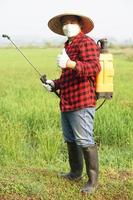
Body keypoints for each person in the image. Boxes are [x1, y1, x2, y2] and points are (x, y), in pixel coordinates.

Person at [42, 12, 101, 194]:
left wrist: (71, 64)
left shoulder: (86, 42)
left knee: (84, 140)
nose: (68, 25)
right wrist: (54, 84)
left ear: (80, 25)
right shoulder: (68, 45)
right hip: (67, 101)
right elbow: (66, 77)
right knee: (70, 139)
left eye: (72, 22)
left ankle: (93, 181)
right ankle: (75, 173)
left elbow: (94, 67)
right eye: (65, 23)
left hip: (82, 101)